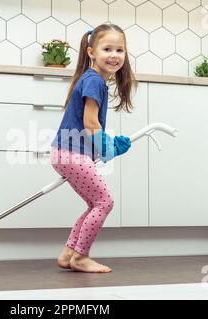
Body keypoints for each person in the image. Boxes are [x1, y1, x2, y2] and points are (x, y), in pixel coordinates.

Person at [50, 23, 137, 273]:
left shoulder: (94, 80)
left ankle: (69, 254)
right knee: (104, 202)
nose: (114, 55)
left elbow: (88, 125)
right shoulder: (94, 81)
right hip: (71, 153)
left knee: (94, 203)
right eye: (107, 48)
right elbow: (90, 123)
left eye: (120, 50)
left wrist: (106, 147)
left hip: (67, 152)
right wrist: (106, 147)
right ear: (91, 53)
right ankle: (81, 257)